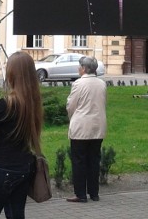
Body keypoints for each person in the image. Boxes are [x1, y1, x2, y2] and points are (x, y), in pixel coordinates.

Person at [0, 52, 43, 219]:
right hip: (24, 167)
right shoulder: (34, 102)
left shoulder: (6, 103)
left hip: (2, 167)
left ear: (12, 73)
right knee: (16, 215)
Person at [66, 56, 107, 203]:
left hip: (81, 127)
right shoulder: (102, 84)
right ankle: (94, 193)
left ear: (84, 68)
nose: (78, 68)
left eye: (80, 66)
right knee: (94, 160)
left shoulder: (78, 83)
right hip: (98, 126)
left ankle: (80, 194)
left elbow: (71, 105)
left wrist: (73, 118)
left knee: (79, 161)